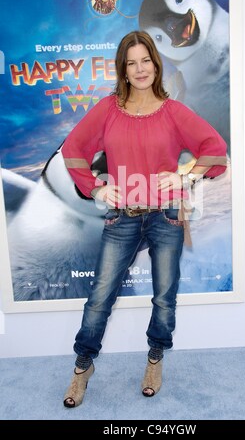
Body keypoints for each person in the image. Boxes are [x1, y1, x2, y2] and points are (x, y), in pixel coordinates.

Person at [61, 30, 227, 407]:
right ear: (123, 68)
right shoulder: (107, 110)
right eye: (131, 62)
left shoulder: (173, 112)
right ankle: (82, 366)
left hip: (167, 216)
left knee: (164, 297)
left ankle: (155, 358)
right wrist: (97, 188)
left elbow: (215, 150)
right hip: (122, 218)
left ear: (156, 62)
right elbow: (73, 151)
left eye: (146, 60)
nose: (140, 69)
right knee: (100, 298)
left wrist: (185, 174)